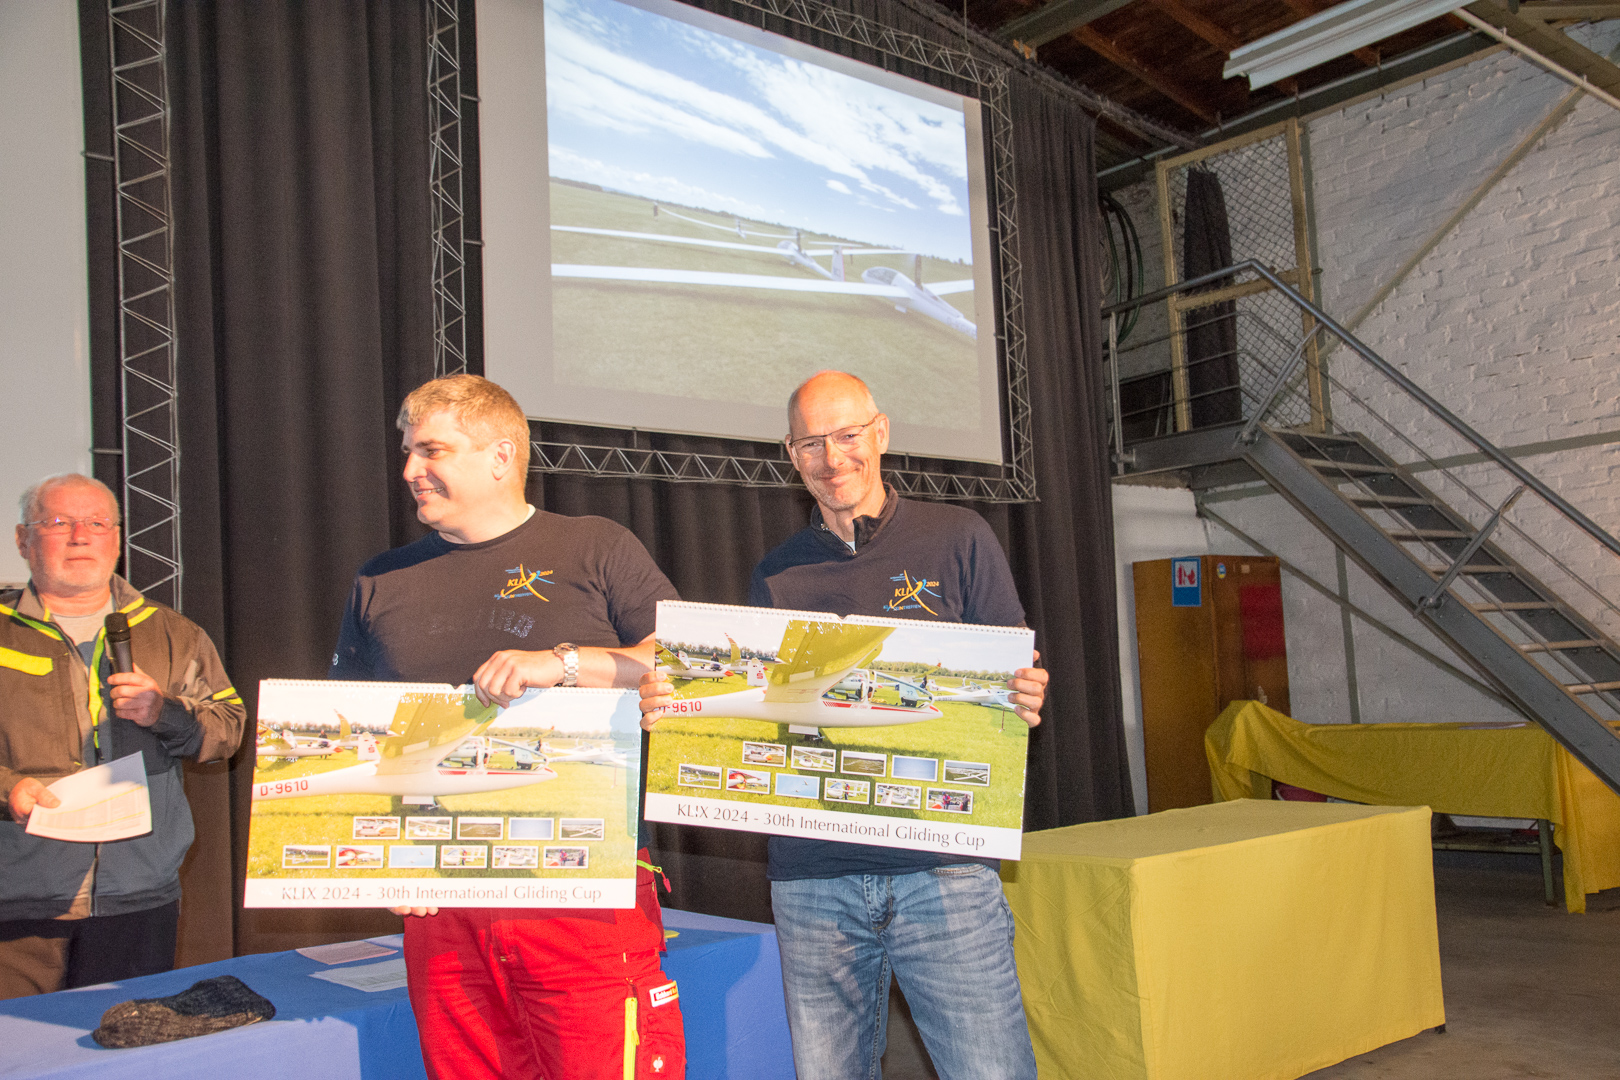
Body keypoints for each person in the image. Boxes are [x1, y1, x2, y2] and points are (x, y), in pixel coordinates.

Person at [640, 370, 1048, 1080]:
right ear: (790, 453)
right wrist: (677, 712)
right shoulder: (776, 574)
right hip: (812, 882)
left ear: (880, 433)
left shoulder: (959, 536)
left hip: (944, 870)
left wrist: (1025, 693)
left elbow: (1010, 673)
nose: (832, 459)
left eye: (848, 435)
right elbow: (761, 712)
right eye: (811, 444)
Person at [330, 374, 684, 1080]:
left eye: (432, 450)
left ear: (500, 455)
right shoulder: (380, 581)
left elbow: (682, 662)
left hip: (580, 886)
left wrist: (563, 663)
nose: (410, 470)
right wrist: (377, 857)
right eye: (407, 452)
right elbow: (351, 736)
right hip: (440, 902)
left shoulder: (594, 546)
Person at [0, 474, 244, 999]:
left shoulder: (173, 632)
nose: (80, 536)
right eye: (59, 522)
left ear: (117, 538)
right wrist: (7, 790)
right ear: (23, 539)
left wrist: (166, 713)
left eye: (97, 523)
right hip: (17, 895)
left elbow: (228, 729)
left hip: (139, 895)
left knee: (122, 1040)